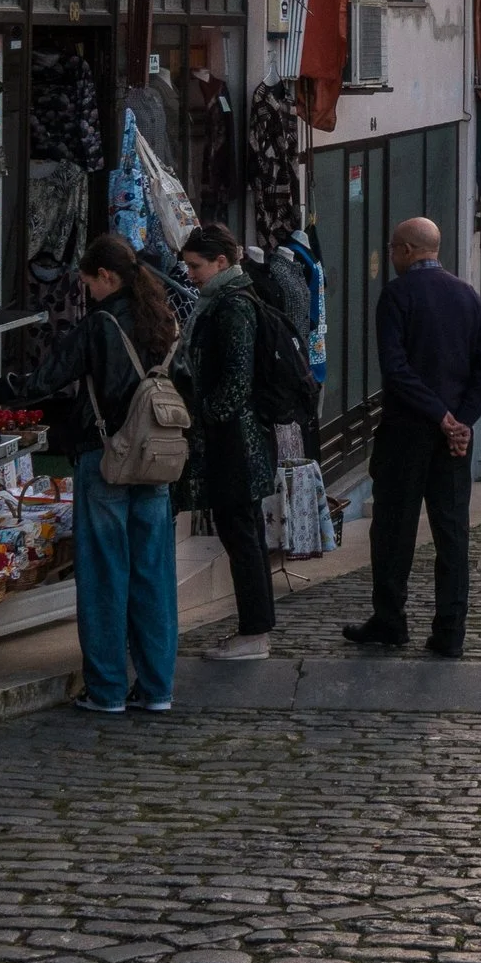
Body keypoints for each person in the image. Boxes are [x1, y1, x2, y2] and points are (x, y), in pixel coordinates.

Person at [0, 233, 178, 715]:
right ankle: (157, 688)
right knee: (153, 575)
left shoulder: (100, 324)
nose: (87, 291)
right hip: (157, 459)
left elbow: (44, 380)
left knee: (104, 576)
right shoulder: (163, 320)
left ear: (106, 277)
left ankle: (107, 689)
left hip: (105, 456)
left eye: (89, 282)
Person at [344, 216, 481, 658]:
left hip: (406, 433)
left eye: (394, 248)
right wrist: (461, 420)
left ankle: (390, 620)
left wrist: (442, 417)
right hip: (453, 442)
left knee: (393, 532)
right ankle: (450, 632)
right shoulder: (467, 295)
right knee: (452, 534)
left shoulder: (397, 296)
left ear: (408, 250)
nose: (391, 255)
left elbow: (396, 370)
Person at [174, 222, 277, 660]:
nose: (190, 274)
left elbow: (237, 380)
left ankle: (254, 634)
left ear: (221, 262)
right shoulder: (225, 300)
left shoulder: (232, 305)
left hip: (236, 443)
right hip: (236, 440)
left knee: (242, 536)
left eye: (196, 266)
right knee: (245, 535)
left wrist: (203, 417)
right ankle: (256, 629)